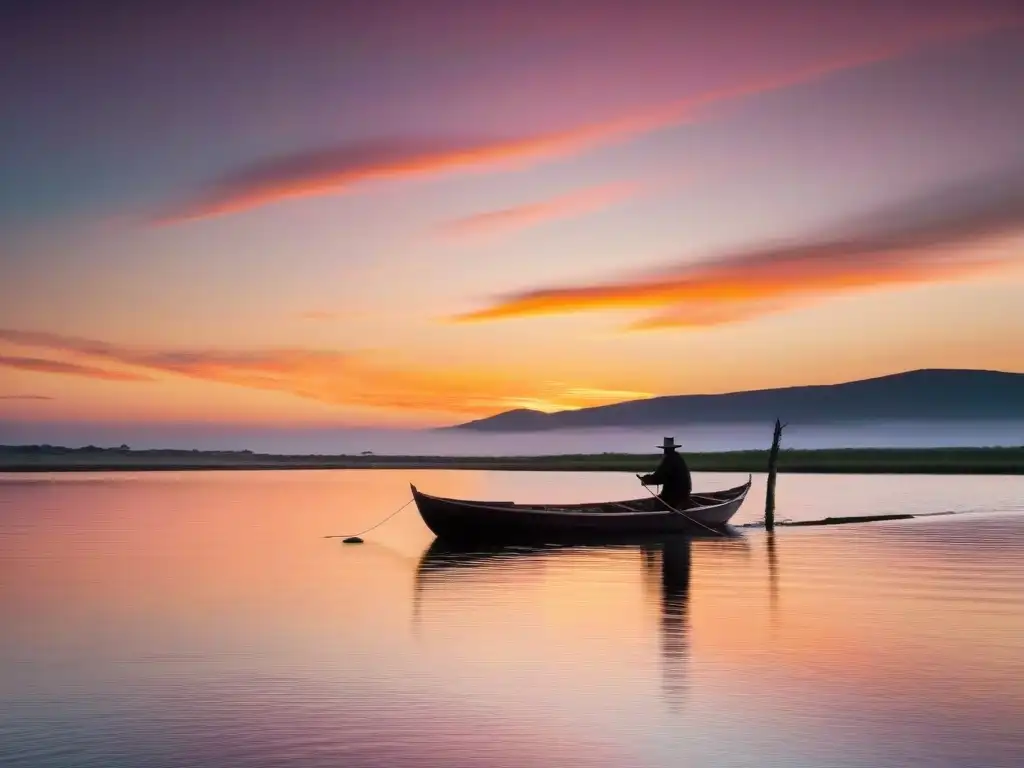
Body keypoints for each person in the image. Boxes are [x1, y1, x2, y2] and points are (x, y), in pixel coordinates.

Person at [639, 437, 693, 509]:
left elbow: (659, 477)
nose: (665, 451)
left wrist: (645, 479)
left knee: (655, 505)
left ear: (666, 450)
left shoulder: (669, 460)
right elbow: (662, 476)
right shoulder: (678, 458)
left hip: (675, 496)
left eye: (665, 449)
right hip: (684, 494)